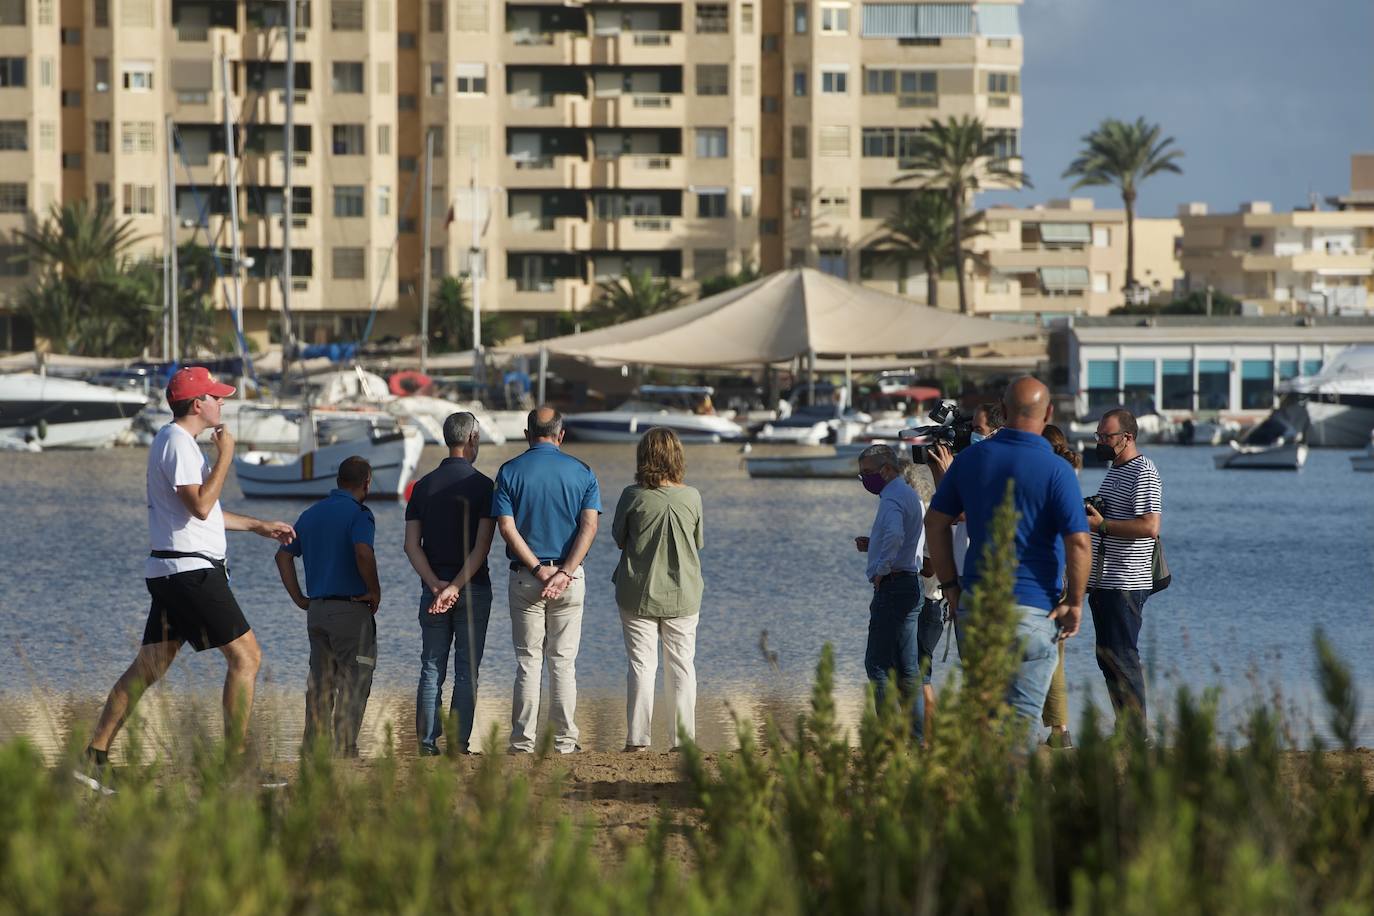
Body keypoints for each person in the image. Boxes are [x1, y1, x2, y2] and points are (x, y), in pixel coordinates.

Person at [76, 367, 296, 792]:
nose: (222, 402)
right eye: (216, 396)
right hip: (189, 573)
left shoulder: (176, 442)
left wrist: (257, 525)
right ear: (198, 404)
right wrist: (226, 456)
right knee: (247, 658)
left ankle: (92, 758)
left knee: (149, 666)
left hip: (175, 571)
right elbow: (200, 505)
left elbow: (203, 514)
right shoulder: (178, 442)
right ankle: (236, 768)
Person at [924, 377, 1092, 728]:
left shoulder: (970, 460)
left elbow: (935, 523)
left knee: (983, 720)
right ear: (1049, 412)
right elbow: (1078, 542)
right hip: (1035, 611)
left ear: (1003, 410)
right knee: (1021, 725)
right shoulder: (1058, 470)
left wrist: (951, 586)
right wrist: (1075, 602)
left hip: (980, 607)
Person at [493, 407, 601, 754]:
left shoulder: (509, 471)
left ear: (527, 434)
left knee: (528, 662)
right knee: (563, 662)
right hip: (569, 579)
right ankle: (565, 742)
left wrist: (539, 569)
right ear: (561, 435)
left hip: (526, 578)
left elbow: (506, 528)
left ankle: (522, 743)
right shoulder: (583, 471)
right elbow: (590, 526)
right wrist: (565, 571)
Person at [274, 457, 380, 757]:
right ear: (366, 483)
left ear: (338, 481)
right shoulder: (360, 514)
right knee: (355, 680)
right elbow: (363, 552)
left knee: (321, 684)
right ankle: (345, 749)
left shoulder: (311, 514)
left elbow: (282, 556)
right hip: (350, 610)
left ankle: (314, 749)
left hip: (317, 612)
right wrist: (374, 590)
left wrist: (300, 598)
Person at [404, 411, 496, 756]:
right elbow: (482, 546)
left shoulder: (422, 486)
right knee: (466, 671)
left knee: (431, 667)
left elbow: (411, 545)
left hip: (433, 592)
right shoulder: (484, 487)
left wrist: (435, 585)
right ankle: (458, 745)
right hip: (473, 588)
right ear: (472, 438)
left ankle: (427, 745)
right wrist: (455, 587)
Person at [611, 428, 705, 752]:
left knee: (641, 665)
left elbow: (619, 538)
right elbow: (697, 542)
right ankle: (683, 741)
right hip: (683, 593)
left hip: (637, 590)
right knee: (682, 666)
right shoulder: (692, 496)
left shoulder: (632, 496)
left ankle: (638, 740)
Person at [1083, 407, 1162, 734]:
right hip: (1104, 582)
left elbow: (1150, 526)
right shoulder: (1116, 470)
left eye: (1106, 436)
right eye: (1098, 435)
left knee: (1123, 658)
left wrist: (1102, 525)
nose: (1100, 441)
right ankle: (1125, 729)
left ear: (1127, 437)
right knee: (1108, 659)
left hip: (1126, 582)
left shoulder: (1144, 471)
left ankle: (1136, 734)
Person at [854, 444, 926, 733]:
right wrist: (875, 547)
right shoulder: (910, 495)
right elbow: (906, 536)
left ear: (886, 469)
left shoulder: (892, 497)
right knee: (908, 669)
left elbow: (896, 534)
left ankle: (887, 737)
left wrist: (882, 569)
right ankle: (918, 736)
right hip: (912, 582)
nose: (864, 479)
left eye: (867, 472)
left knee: (877, 665)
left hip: (894, 586)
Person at [1040, 423, 1082, 749]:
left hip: (1045, 578)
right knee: (1053, 656)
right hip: (1061, 576)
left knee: (1048, 658)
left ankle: (1059, 729)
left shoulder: (1048, 479)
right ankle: (1060, 729)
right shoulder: (1066, 478)